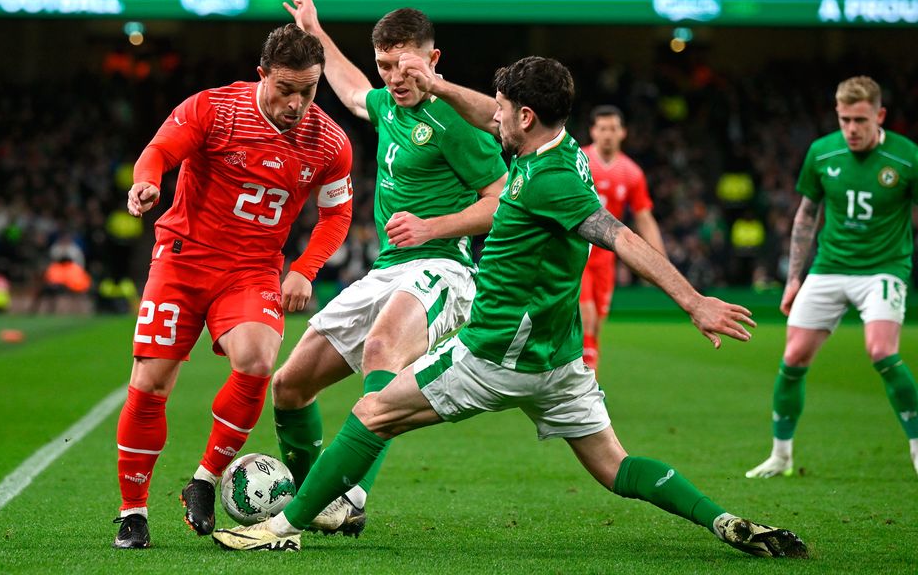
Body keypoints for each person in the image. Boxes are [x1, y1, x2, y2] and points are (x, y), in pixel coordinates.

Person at [212, 56, 808, 559]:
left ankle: (280, 528)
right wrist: (441, 87)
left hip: (493, 354)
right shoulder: (560, 149)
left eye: (501, 108)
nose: (490, 114)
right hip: (560, 361)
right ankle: (725, 522)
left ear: (525, 116)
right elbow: (483, 112)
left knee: (371, 412)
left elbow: (620, 236)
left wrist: (693, 300)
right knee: (615, 468)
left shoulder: (550, 181)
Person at [266, 0, 507, 535]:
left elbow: (502, 201)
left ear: (433, 60)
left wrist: (432, 227)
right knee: (290, 385)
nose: (395, 79)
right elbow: (351, 91)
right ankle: (318, 497)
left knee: (381, 352)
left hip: (444, 266)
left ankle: (348, 496)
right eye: (385, 66)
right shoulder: (386, 102)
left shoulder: (457, 123)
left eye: (406, 66)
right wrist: (314, 31)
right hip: (387, 269)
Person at [112, 24, 354, 549]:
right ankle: (132, 512)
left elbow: (337, 216)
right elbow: (158, 151)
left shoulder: (330, 142)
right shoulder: (213, 109)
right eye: (286, 89)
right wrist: (147, 181)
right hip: (182, 260)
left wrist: (304, 268)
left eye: (308, 92)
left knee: (258, 359)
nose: (296, 103)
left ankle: (203, 479)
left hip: (251, 269)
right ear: (262, 74)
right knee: (152, 383)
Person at [746, 75, 918, 479]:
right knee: (793, 357)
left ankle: (915, 445)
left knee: (880, 350)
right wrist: (794, 279)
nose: (851, 129)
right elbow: (806, 216)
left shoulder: (907, 157)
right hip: (829, 267)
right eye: (844, 120)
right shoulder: (822, 153)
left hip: (884, 268)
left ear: (880, 115)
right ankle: (781, 455)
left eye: (860, 120)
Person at [579, 106, 665, 374]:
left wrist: (660, 262)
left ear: (623, 133)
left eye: (613, 129)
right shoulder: (578, 159)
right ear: (593, 131)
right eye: (602, 128)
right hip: (578, 251)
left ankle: (587, 371)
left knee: (597, 324)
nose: (607, 134)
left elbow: (644, 218)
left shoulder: (631, 173)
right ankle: (585, 376)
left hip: (606, 257)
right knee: (587, 316)